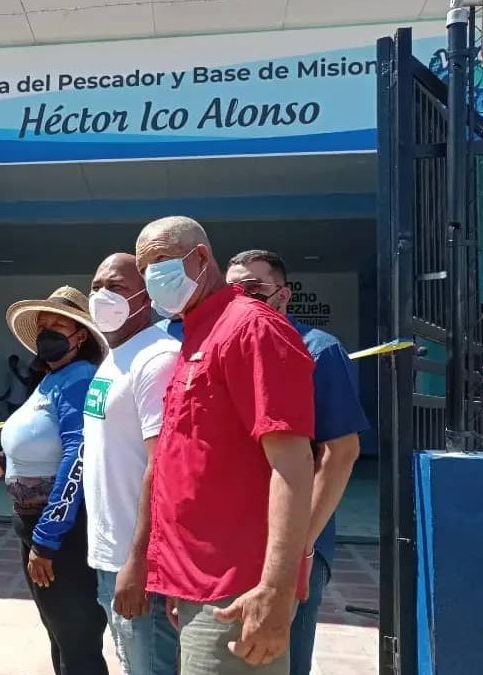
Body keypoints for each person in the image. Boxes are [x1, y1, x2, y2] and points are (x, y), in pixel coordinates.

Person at [135, 217, 315, 674]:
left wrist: (275, 589)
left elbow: (293, 466)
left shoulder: (252, 328)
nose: (150, 277)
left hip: (238, 591)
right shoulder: (198, 333)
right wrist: (177, 581)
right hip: (198, 585)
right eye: (144, 269)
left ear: (199, 258)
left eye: (158, 260)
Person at [226, 250, 369, 675]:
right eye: (231, 291)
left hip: (296, 548)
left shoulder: (318, 351)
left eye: (253, 290)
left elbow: (340, 453)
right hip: (234, 542)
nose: (240, 300)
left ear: (283, 295)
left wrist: (298, 551)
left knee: (281, 658)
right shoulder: (227, 352)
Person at [0, 286, 109, 675]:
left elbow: (77, 456)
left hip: (61, 534)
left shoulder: (79, 378)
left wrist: (47, 539)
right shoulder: (52, 380)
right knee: (59, 633)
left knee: (76, 638)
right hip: (34, 525)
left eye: (59, 325)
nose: (48, 332)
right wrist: (6, 460)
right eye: (43, 325)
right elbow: (46, 441)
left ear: (80, 335)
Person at [83, 254, 180, 675]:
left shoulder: (157, 358)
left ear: (146, 296)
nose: (103, 295)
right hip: (110, 555)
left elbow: (163, 466)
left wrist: (139, 560)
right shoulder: (115, 355)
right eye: (96, 285)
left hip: (139, 563)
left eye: (116, 286)